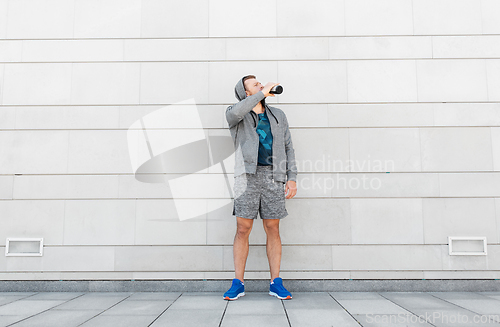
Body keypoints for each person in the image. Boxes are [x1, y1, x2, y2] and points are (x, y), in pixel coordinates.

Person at [223, 75, 298, 300]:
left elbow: (288, 146)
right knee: (243, 228)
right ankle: (238, 282)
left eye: (260, 83)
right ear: (246, 93)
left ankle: (276, 282)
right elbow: (235, 113)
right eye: (255, 85)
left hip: (273, 176)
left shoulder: (278, 115)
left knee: (273, 227)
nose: (261, 85)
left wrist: (291, 177)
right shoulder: (236, 113)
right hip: (246, 177)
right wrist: (262, 93)